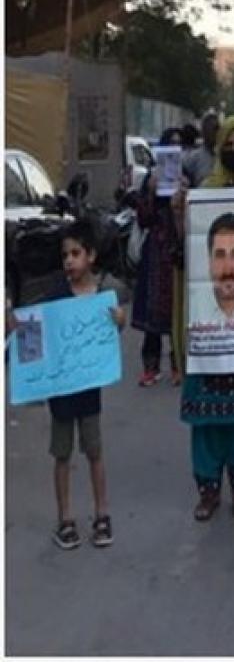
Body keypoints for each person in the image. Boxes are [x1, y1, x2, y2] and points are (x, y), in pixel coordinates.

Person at [173, 115, 234, 522]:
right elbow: (186, 250)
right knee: (207, 423)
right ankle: (209, 490)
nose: (233, 149)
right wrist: (179, 212)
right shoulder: (204, 194)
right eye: (227, 143)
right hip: (208, 332)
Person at [6, 220, 127, 549]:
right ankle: (65, 519)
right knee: (62, 455)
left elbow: (109, 336)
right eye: (65, 256)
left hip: (88, 391)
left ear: (91, 256)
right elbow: (33, 340)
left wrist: (119, 322)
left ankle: (102, 514)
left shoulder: (101, 298)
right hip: (61, 392)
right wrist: (15, 328)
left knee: (94, 452)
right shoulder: (55, 297)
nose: (69, 261)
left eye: (75, 254)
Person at [134, 126, 183, 387]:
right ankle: (151, 367)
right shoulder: (151, 178)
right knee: (152, 311)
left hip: (178, 247)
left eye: (179, 144)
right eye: (170, 144)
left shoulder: (185, 177)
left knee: (178, 307)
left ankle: (178, 364)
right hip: (156, 250)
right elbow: (143, 218)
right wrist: (151, 192)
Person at [183, 111, 220, 187]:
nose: (212, 132)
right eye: (208, 127)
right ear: (203, 132)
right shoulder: (193, 157)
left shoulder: (225, 155)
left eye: (216, 128)